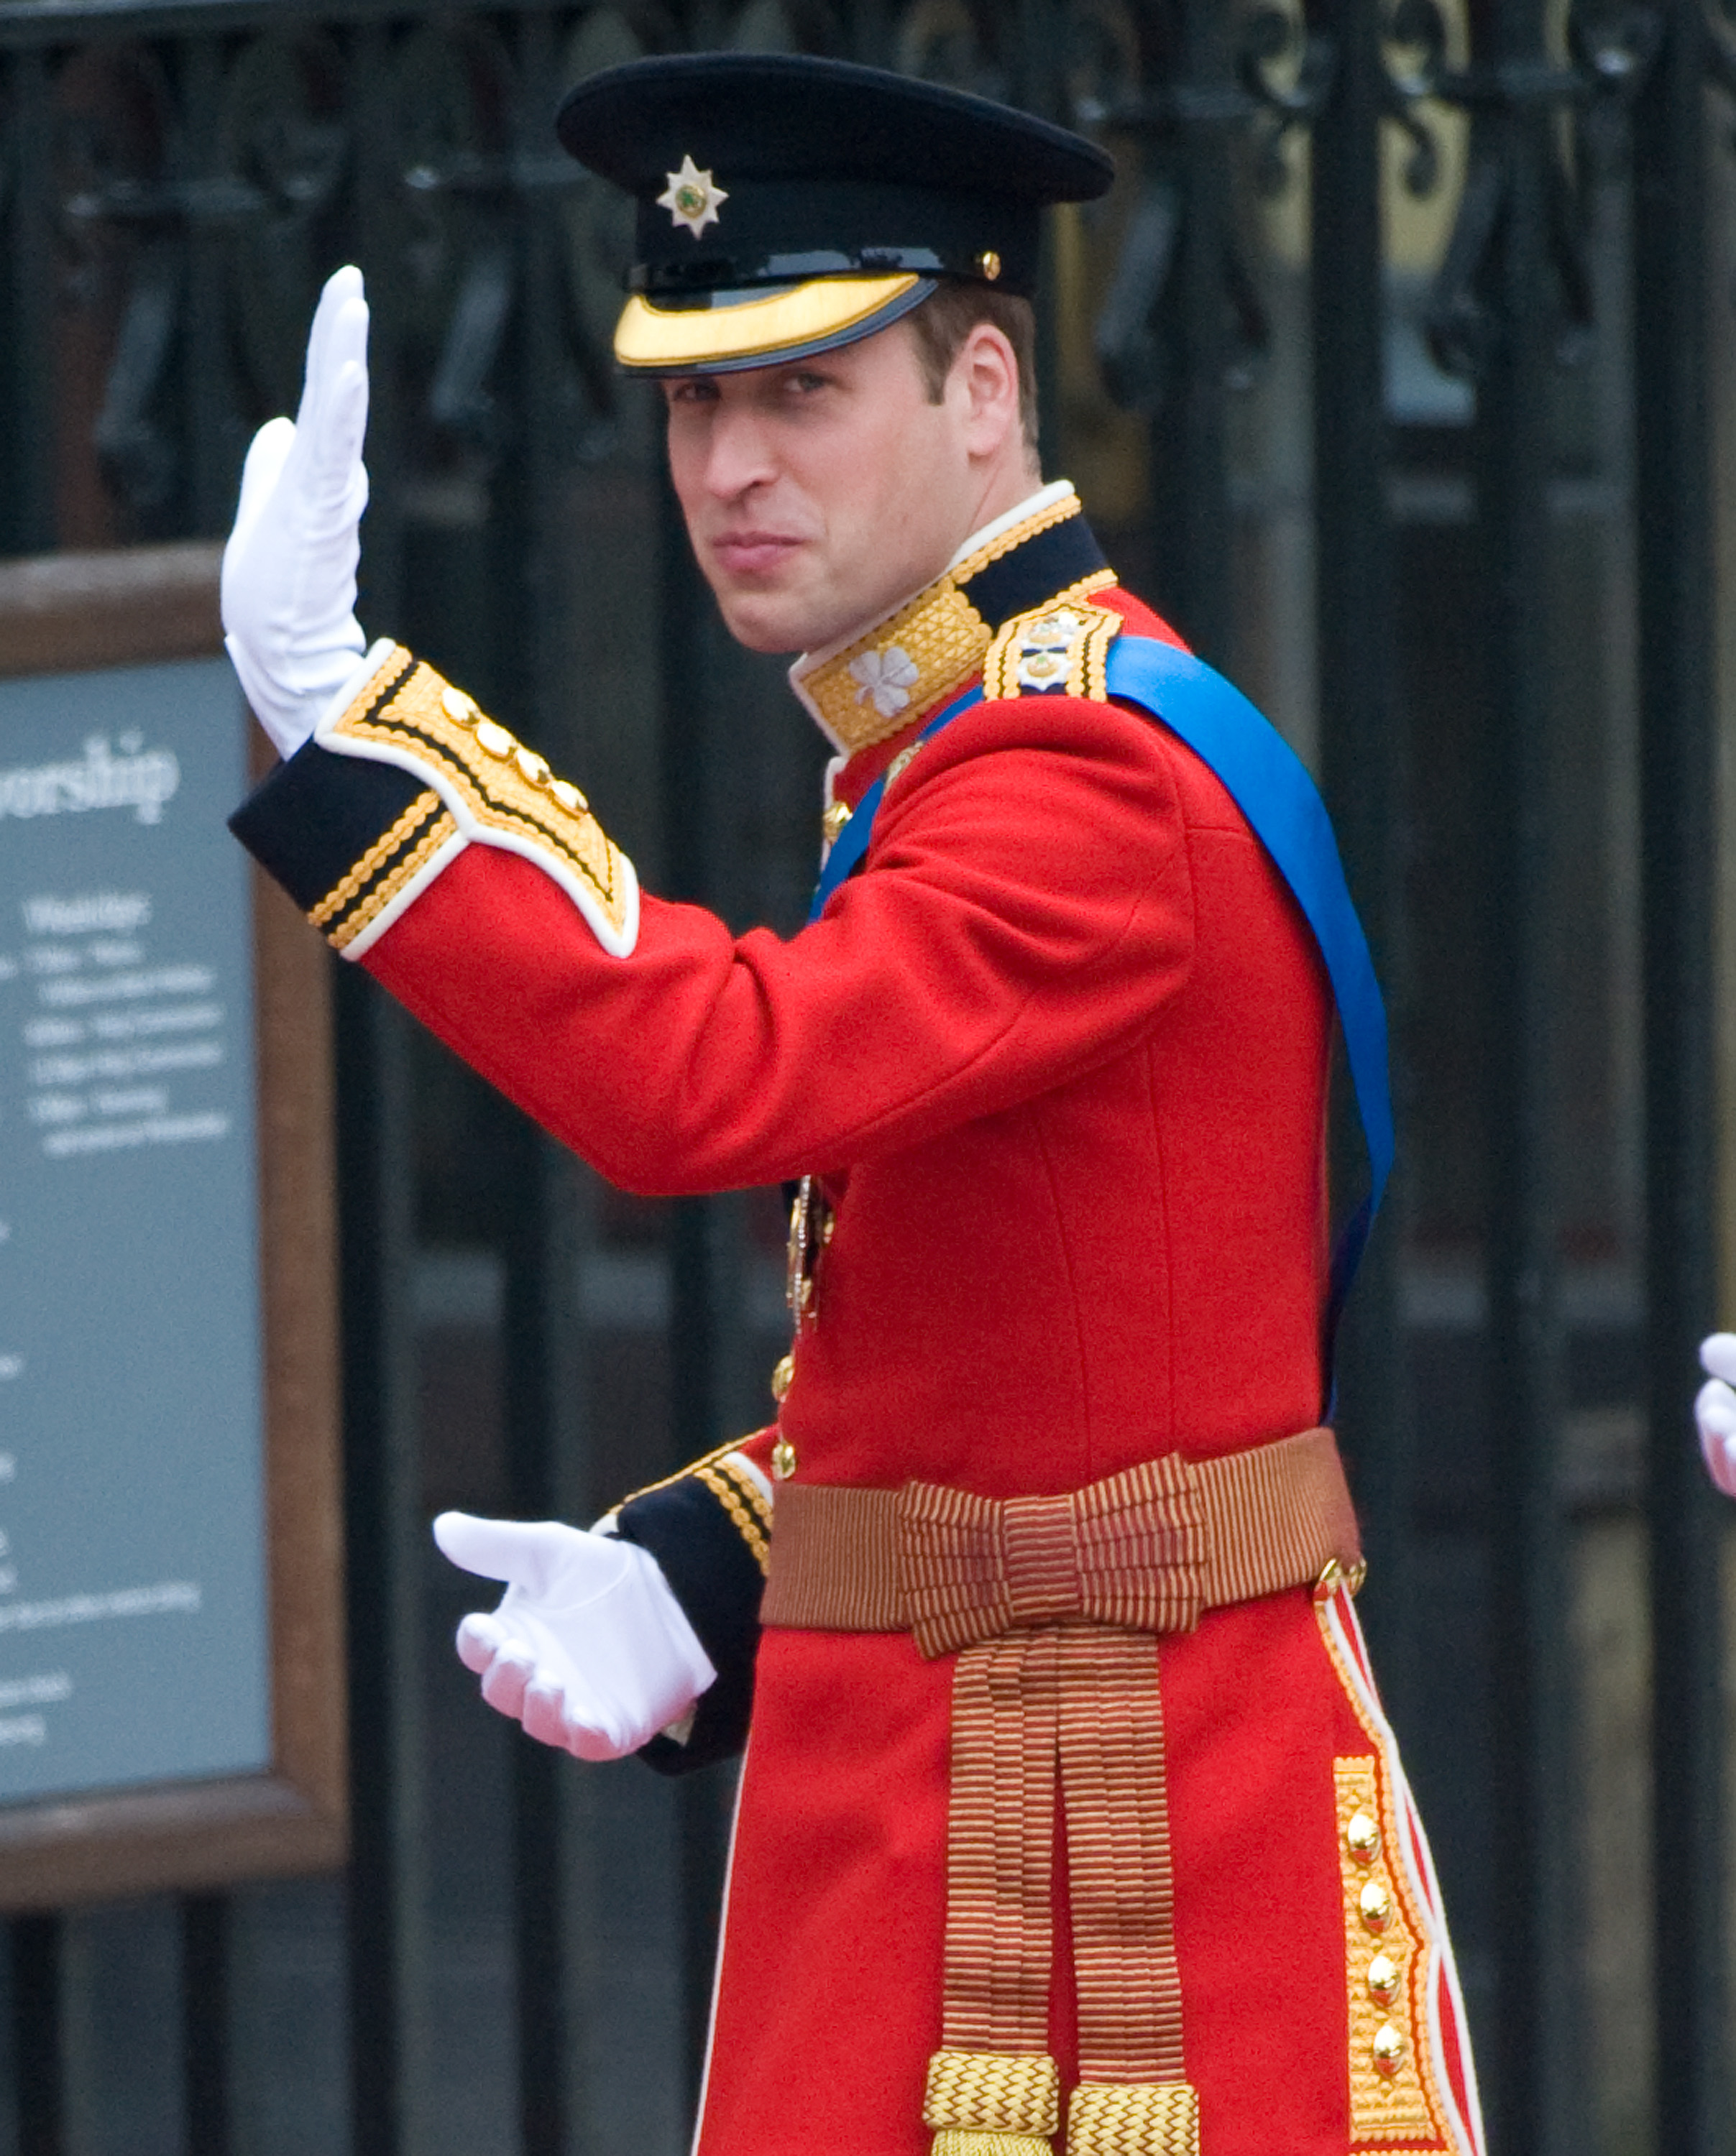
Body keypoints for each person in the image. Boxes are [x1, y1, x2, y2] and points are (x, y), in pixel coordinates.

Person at [224, 52, 1484, 2156]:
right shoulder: (951, 742)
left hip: (1128, 1844)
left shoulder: (1081, 776)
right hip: (996, 1768)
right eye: (698, 401)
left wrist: (355, 728)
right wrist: (716, 1561)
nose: (730, 463)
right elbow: (1028, 1344)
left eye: (804, 391)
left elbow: (713, 1074)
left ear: (986, 390)